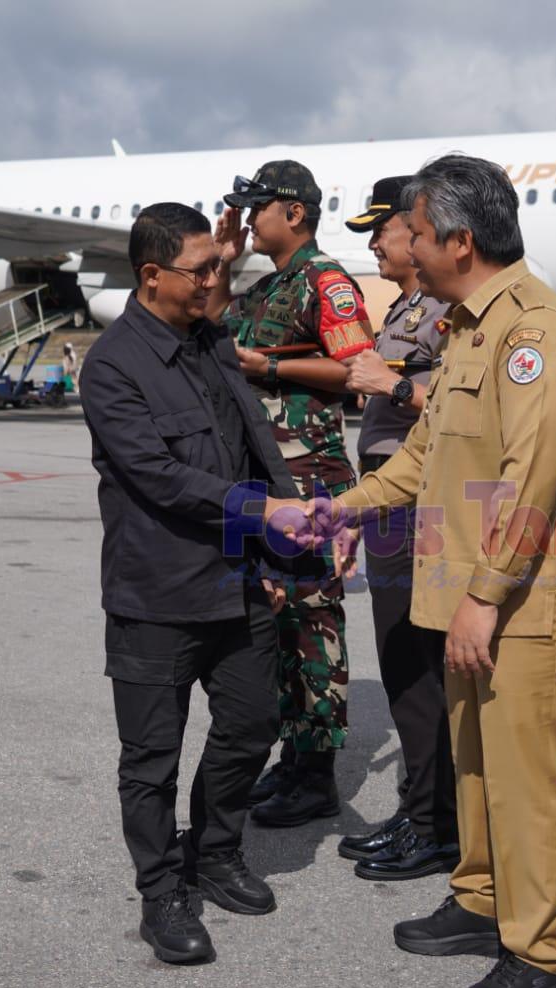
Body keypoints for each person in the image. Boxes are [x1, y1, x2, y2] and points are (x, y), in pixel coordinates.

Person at [329, 154, 556, 988]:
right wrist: (336, 511)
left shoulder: (537, 331)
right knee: (475, 762)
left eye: (417, 232)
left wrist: (485, 597)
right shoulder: (467, 327)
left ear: (460, 241)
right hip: (481, 601)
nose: (406, 246)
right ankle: (482, 896)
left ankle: (542, 955)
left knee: (528, 780)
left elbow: (531, 477)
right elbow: (422, 460)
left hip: (535, 604)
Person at [81, 203, 320, 965]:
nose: (216, 280)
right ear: (152, 274)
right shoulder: (112, 364)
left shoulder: (211, 338)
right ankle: (161, 893)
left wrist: (276, 554)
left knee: (253, 723)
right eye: (203, 269)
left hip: (237, 579)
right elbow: (156, 474)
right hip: (156, 593)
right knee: (151, 758)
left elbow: (253, 448)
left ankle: (214, 851)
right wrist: (262, 512)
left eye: (220, 265)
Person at [209, 159, 376, 827]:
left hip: (311, 481)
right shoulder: (268, 283)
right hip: (265, 479)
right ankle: (292, 756)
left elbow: (358, 369)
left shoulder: (324, 282)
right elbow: (214, 334)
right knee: (274, 622)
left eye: (259, 208)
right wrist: (224, 262)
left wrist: (271, 367)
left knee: (311, 622)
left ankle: (317, 774)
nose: (250, 218)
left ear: (295, 212)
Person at [336, 175, 458, 880]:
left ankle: (437, 823)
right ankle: (422, 806)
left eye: (381, 231)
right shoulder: (407, 306)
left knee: (417, 664)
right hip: (388, 497)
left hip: (419, 502)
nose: (376, 245)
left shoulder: (447, 308)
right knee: (403, 661)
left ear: (415, 232)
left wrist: (393, 385)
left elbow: (462, 396)